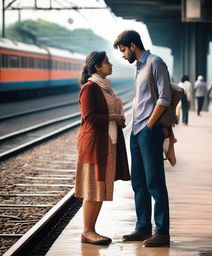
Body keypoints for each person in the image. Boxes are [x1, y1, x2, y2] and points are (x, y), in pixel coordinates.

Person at [114, 30, 171, 247]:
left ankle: (162, 232)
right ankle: (142, 227)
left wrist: (150, 125)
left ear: (132, 46)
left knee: (155, 182)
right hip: (136, 132)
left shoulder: (155, 63)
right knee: (138, 182)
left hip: (149, 130)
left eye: (122, 50)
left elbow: (164, 97)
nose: (122, 55)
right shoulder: (139, 67)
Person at [75, 51, 130, 245]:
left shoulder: (106, 88)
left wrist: (118, 119)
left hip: (107, 143)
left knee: (99, 189)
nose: (111, 65)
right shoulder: (90, 88)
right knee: (92, 189)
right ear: (98, 67)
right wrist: (114, 117)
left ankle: (91, 230)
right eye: (107, 62)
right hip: (95, 146)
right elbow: (89, 118)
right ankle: (87, 232)